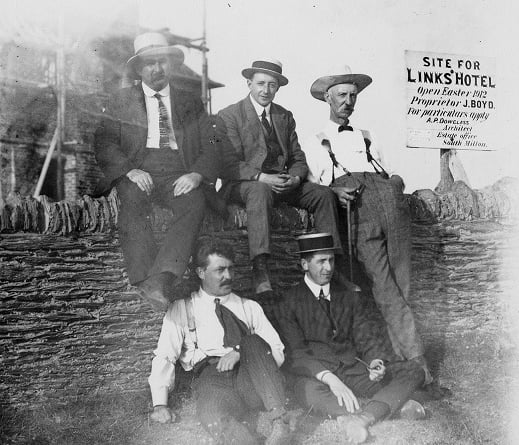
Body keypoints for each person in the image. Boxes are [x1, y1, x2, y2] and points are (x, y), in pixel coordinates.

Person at [302, 65, 432, 383]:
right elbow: (312, 185)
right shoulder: (315, 140)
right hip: (359, 212)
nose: (348, 101)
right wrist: (333, 191)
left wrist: (394, 186)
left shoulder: (368, 136)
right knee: (385, 287)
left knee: (404, 283)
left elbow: (388, 171)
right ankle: (416, 362)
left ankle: (401, 359)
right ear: (327, 99)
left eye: (353, 95)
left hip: (390, 205)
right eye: (341, 95)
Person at [94, 32, 220, 311]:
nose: (157, 69)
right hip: (140, 170)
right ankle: (143, 277)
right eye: (149, 64)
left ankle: (161, 278)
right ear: (139, 69)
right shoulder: (122, 100)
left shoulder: (190, 102)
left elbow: (213, 143)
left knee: (195, 202)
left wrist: (197, 174)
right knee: (132, 200)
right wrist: (129, 171)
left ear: (171, 64)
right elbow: (104, 141)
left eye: (162, 61)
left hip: (179, 172)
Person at [275, 233, 426, 444]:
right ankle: (381, 407)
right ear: (304, 264)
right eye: (321, 261)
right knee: (304, 390)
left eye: (331, 260)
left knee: (413, 371)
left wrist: (375, 362)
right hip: (318, 377)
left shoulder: (348, 296)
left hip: (354, 371)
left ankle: (363, 418)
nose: (328, 268)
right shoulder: (288, 302)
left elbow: (367, 337)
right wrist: (330, 378)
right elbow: (297, 354)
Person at [148, 237, 297, 445]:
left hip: (253, 381)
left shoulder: (249, 306)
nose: (228, 276)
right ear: (201, 273)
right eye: (220, 270)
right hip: (213, 380)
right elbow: (164, 354)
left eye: (230, 269)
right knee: (211, 415)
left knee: (252, 342)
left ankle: (281, 422)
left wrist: (239, 352)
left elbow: (276, 350)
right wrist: (160, 404)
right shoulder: (183, 308)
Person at [217, 58, 342, 301]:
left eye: (272, 85)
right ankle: (261, 270)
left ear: (278, 87)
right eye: (260, 83)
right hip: (244, 184)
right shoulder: (229, 115)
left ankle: (328, 264)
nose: (266, 91)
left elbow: (297, 157)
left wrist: (295, 178)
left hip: (282, 183)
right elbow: (227, 162)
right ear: (249, 84)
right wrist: (262, 177)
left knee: (323, 194)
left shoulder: (284, 116)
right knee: (259, 192)